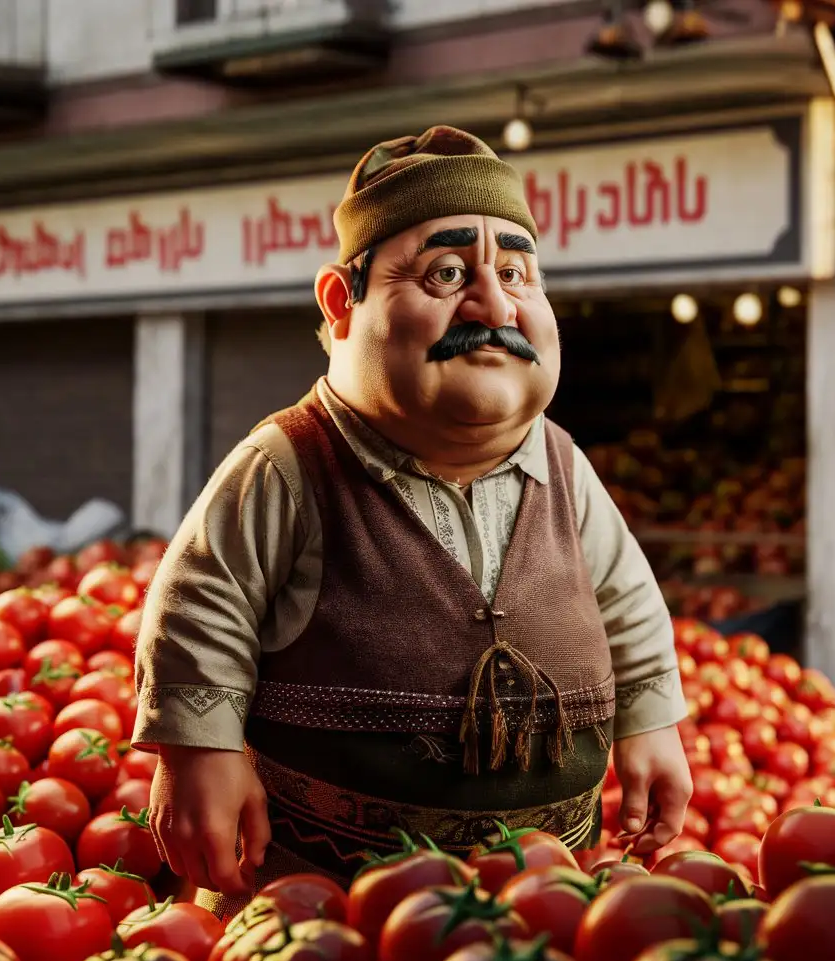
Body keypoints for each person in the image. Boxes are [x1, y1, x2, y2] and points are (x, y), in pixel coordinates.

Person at [132, 126, 692, 918]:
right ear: (341, 303)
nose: (493, 304)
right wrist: (198, 749)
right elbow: (201, 600)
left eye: (516, 273)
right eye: (448, 272)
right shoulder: (289, 463)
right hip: (323, 898)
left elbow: (628, 602)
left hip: (546, 898)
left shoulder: (565, 467)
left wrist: (651, 719)